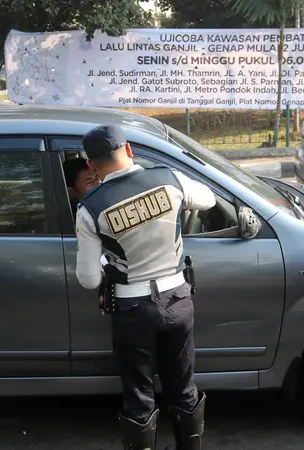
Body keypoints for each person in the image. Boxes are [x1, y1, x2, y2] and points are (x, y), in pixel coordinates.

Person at [74, 125, 216, 450]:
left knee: (138, 395)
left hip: (133, 310)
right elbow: (207, 199)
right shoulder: (170, 179)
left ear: (92, 166)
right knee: (183, 387)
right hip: (179, 301)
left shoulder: (90, 209)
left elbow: (88, 279)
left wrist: (107, 264)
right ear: (129, 151)